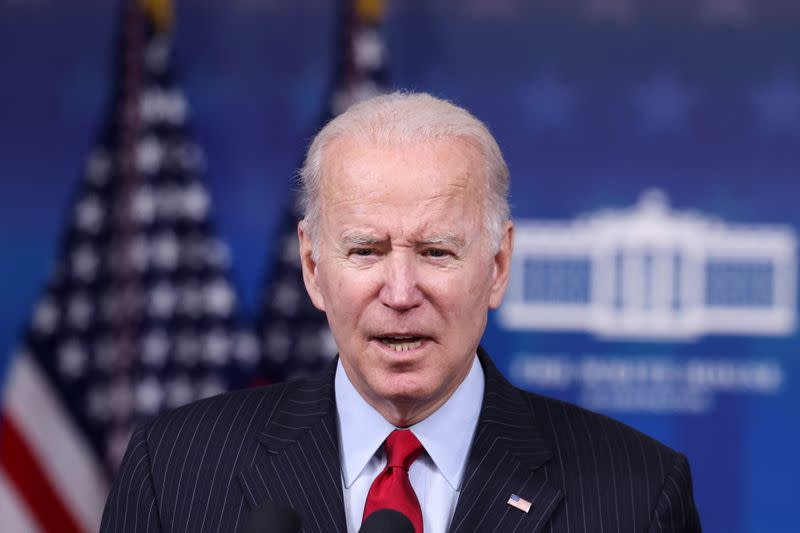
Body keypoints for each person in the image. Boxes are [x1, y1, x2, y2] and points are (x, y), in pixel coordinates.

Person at [100, 92, 701, 532]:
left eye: (436, 251)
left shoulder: (638, 494)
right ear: (313, 267)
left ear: (497, 265)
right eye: (366, 250)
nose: (400, 291)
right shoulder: (175, 470)